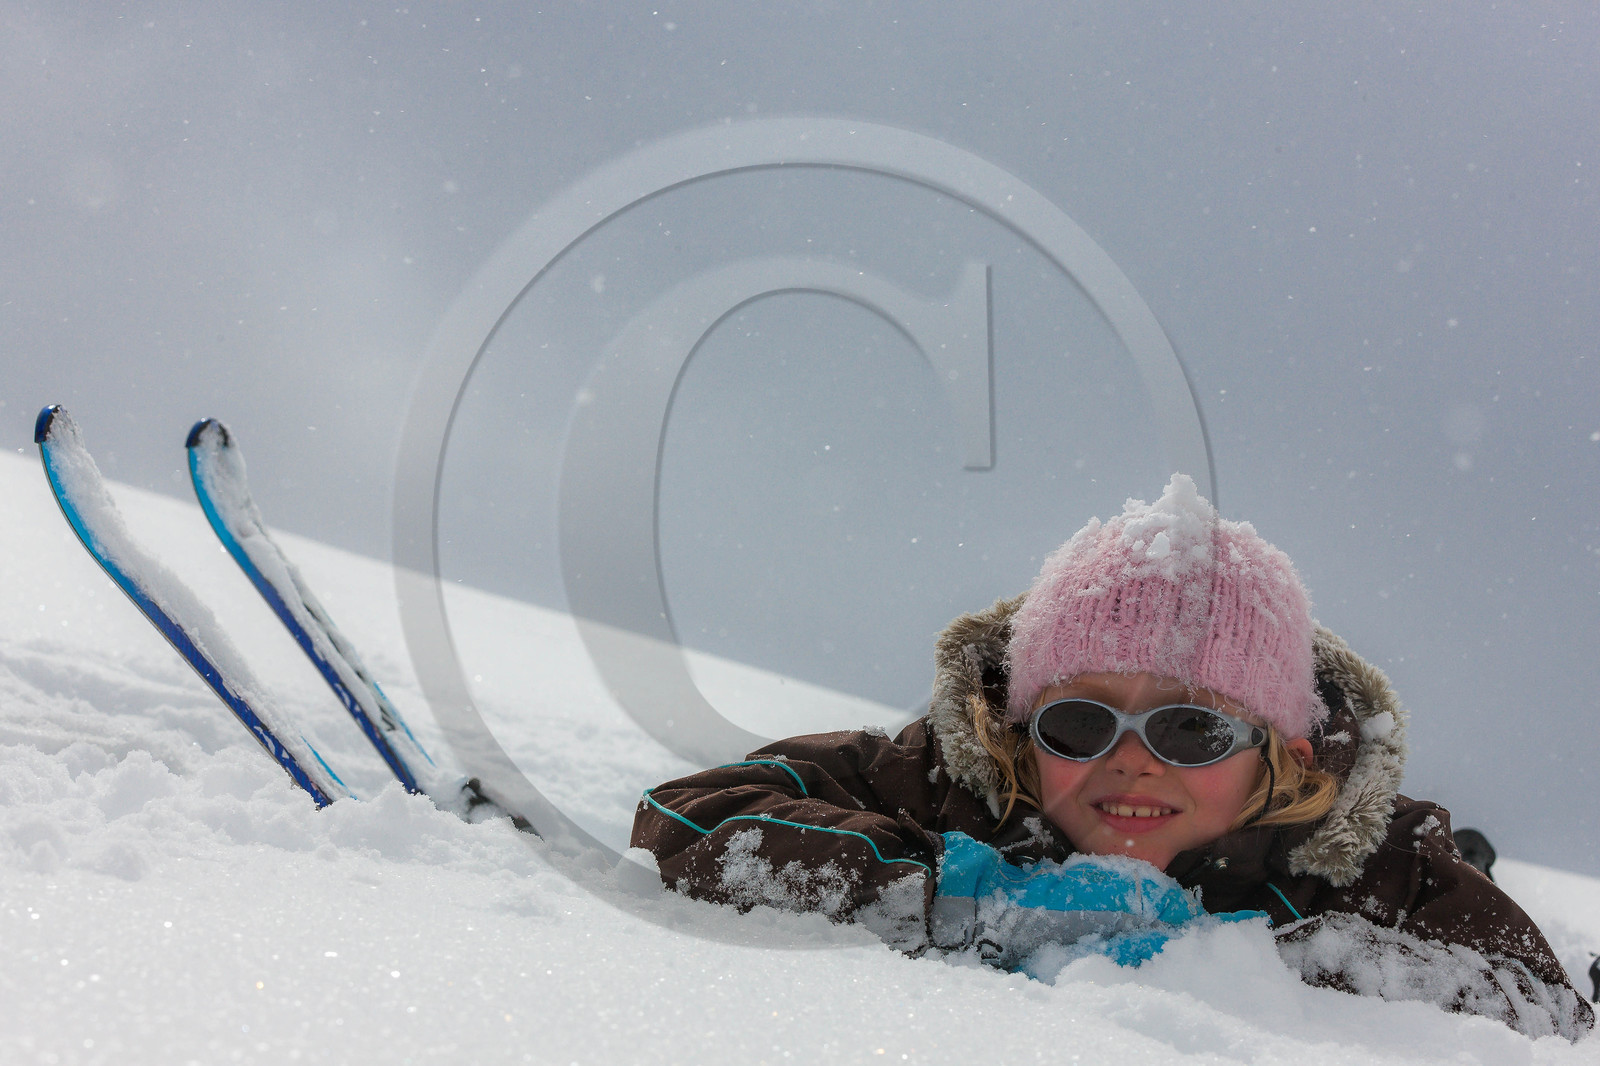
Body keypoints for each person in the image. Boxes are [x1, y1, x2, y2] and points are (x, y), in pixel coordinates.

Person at [632, 475, 1592, 1039]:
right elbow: (691, 816)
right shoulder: (955, 787)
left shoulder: (1368, 863)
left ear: (1281, 754)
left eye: (1191, 730)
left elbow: (1544, 1008)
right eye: (1080, 725)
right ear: (1018, 730)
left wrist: (1260, 960)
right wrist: (959, 897)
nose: (1131, 763)